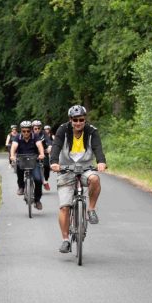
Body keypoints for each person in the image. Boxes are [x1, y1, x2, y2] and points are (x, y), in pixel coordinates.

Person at [50, 105, 107, 253]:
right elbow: (56, 146)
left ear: (85, 119)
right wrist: (54, 162)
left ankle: (91, 210)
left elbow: (97, 147)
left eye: (81, 119)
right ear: (70, 120)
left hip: (85, 168)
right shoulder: (63, 130)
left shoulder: (91, 131)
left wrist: (101, 161)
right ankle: (65, 240)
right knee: (64, 206)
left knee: (95, 179)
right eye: (75, 120)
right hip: (66, 169)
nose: (78, 123)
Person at [10, 120, 45, 210]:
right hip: (21, 160)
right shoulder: (18, 137)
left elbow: (39, 145)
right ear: (21, 131)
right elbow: (13, 146)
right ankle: (21, 187)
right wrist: (12, 156)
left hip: (34, 160)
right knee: (18, 168)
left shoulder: (35, 137)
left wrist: (41, 154)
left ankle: (37, 200)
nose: (26, 133)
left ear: (31, 130)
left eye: (28, 131)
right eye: (24, 131)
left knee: (38, 180)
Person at [33, 120, 53, 190]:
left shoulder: (44, 133)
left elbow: (48, 140)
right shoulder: (30, 134)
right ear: (32, 128)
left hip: (44, 151)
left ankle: (46, 180)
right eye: (35, 128)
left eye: (39, 128)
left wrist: (50, 146)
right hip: (34, 153)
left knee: (47, 166)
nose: (37, 130)